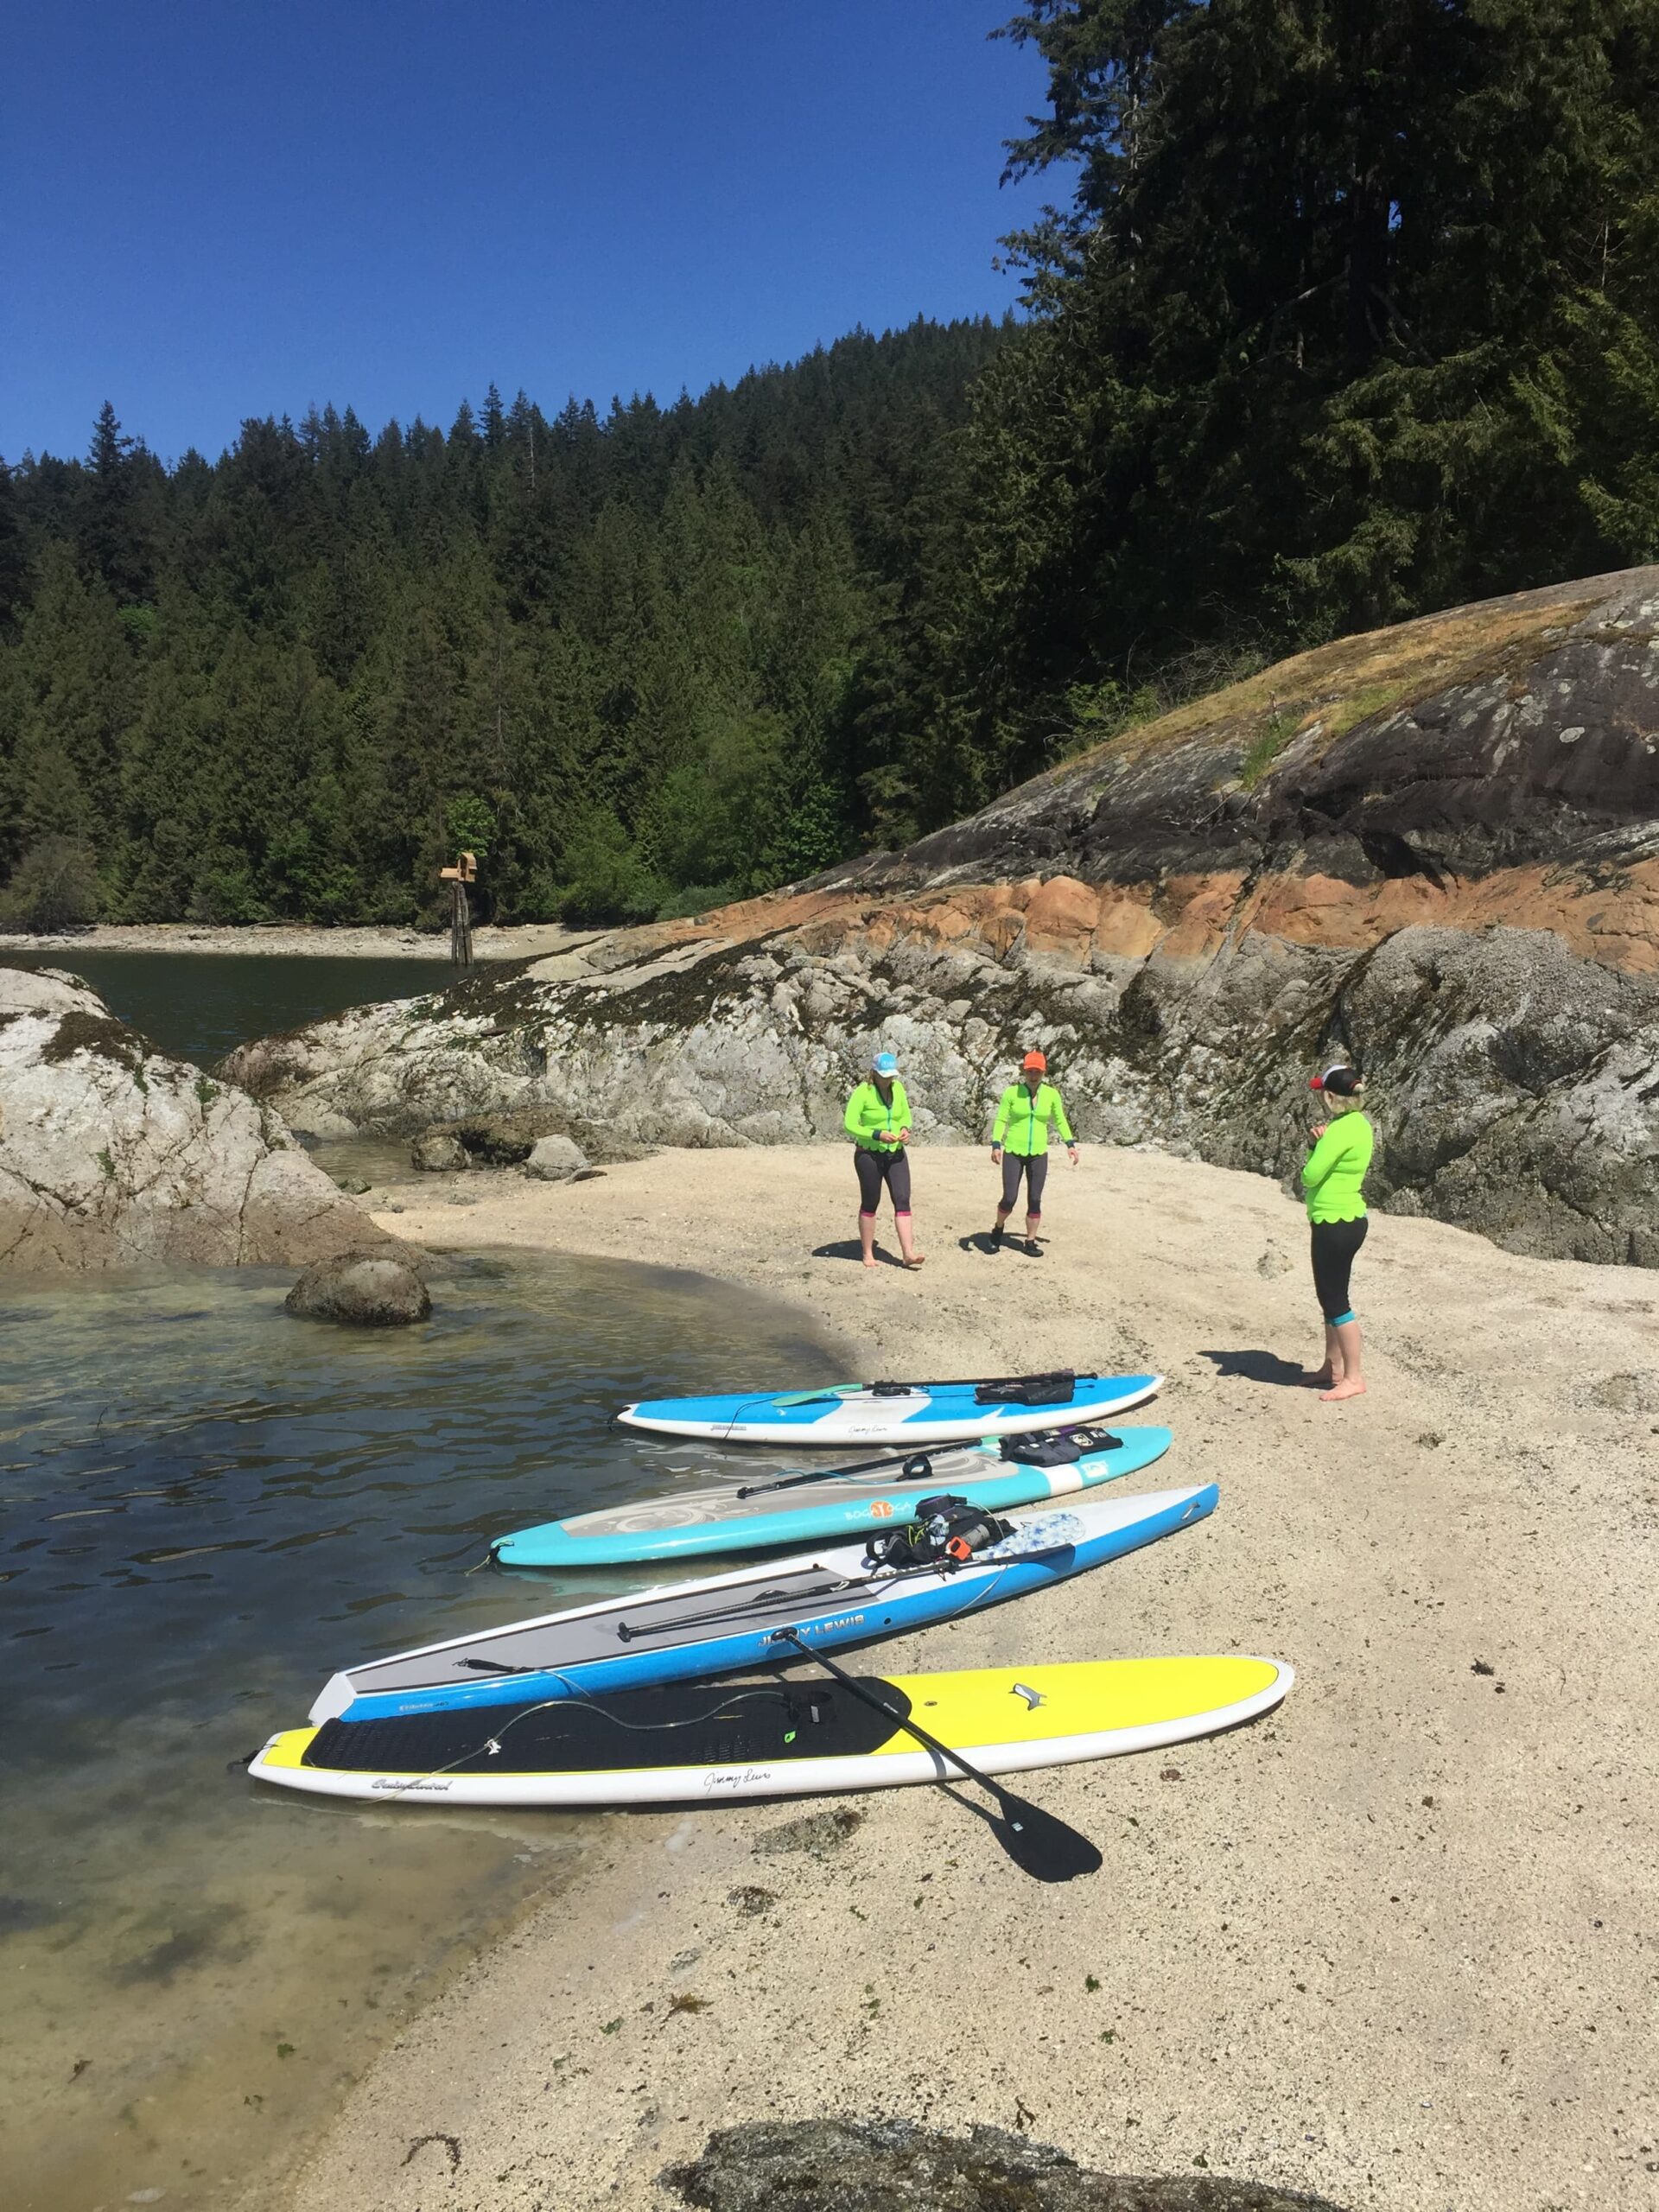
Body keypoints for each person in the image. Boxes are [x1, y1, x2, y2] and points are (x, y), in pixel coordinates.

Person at [1302, 1062, 1373, 1402]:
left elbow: (1310, 1176)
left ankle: (1353, 1377)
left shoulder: (1340, 1130)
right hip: (1348, 1219)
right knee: (1330, 1297)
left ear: (1331, 1097)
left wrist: (1317, 1145)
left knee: (1336, 1301)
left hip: (1335, 1222)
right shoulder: (1360, 1124)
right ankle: (1331, 1367)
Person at [988, 1050, 1077, 1254]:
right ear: (1024, 1071)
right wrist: (996, 1145)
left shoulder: (1051, 1094)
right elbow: (1001, 1119)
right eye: (1030, 1071)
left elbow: (1060, 1119)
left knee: (1035, 1199)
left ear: (1044, 1072)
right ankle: (998, 1228)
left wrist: (1070, 1144)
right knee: (1009, 1198)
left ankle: (1029, 1241)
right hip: (1013, 1151)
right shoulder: (1012, 1093)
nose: (1033, 1075)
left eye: (1037, 1071)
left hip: (1038, 1153)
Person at [843, 1051, 925, 1270]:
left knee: (902, 1198)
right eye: (884, 1075)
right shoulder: (863, 1091)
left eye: (891, 1075)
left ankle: (908, 1253)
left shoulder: (898, 1089)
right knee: (871, 1202)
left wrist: (906, 1129)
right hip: (868, 1153)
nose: (889, 1079)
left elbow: (905, 1115)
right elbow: (850, 1123)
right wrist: (876, 1134)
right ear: (874, 1072)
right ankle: (867, 1252)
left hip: (895, 1151)